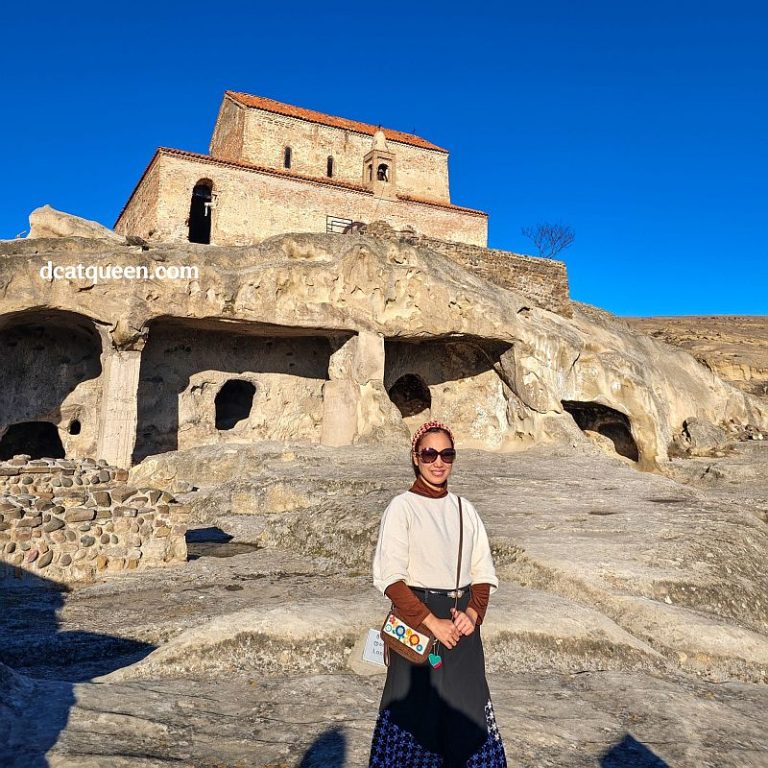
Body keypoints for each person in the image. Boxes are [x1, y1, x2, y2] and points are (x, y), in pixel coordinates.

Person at [369, 420, 507, 767]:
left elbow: (483, 571)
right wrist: (433, 623)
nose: (438, 461)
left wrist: (473, 615)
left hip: (461, 627)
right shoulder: (402, 507)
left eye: (446, 454)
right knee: (415, 715)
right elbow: (391, 580)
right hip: (418, 623)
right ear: (416, 457)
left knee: (467, 711)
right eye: (429, 453)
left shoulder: (465, 509)